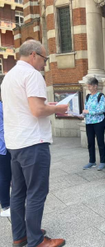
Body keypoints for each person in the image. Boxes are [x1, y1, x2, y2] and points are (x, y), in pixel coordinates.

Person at [1, 40, 67, 247]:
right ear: (33, 55)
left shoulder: (8, 77)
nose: (44, 63)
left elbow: (26, 107)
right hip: (33, 142)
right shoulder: (32, 75)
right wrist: (58, 108)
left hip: (15, 143)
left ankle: (20, 236)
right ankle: (37, 241)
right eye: (44, 59)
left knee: (18, 192)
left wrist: (48, 105)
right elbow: (37, 110)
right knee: (37, 192)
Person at [83, 78, 105, 171]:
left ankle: (102, 161)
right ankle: (92, 161)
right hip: (89, 122)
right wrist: (83, 114)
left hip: (98, 122)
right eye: (88, 86)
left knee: (100, 141)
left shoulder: (100, 96)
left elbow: (101, 109)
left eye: (89, 86)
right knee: (90, 142)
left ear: (95, 86)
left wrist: (89, 111)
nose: (88, 88)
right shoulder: (88, 97)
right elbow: (86, 108)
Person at [0, 88, 11, 218]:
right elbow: (3, 129)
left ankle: (6, 203)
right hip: (4, 147)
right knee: (5, 176)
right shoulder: (1, 106)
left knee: (4, 176)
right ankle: (6, 205)